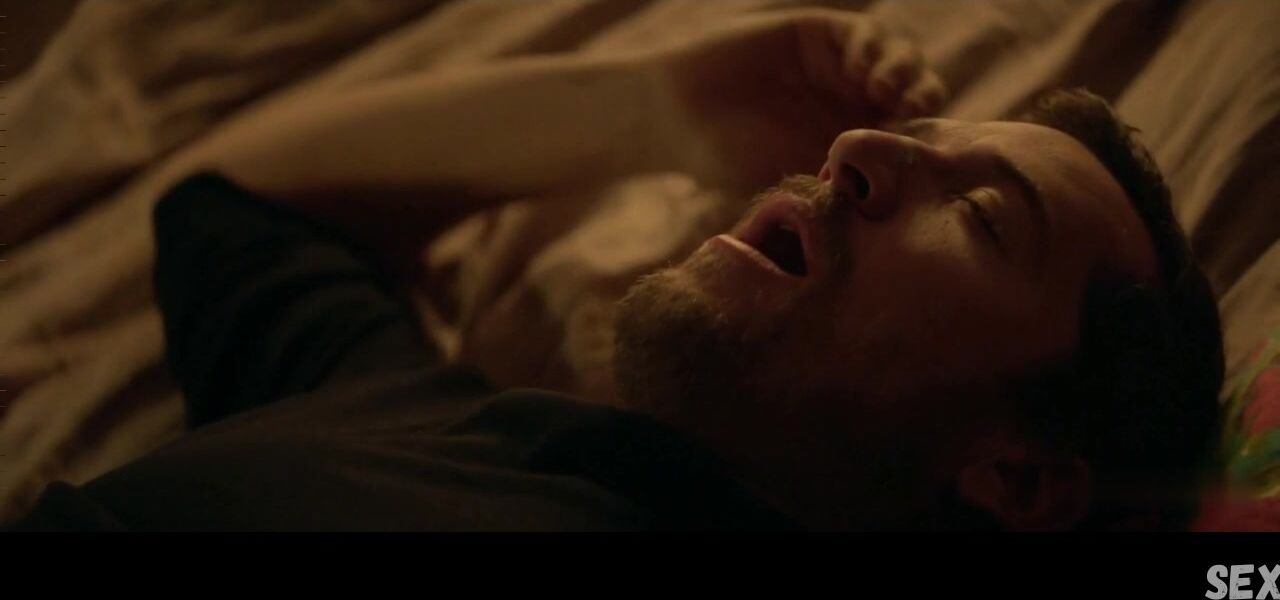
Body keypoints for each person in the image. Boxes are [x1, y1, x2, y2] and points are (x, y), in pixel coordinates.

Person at [7, 9, 1223, 531]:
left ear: (1018, 476)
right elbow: (230, 209)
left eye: (983, 217)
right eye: (906, 136)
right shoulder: (425, 416)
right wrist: (650, 109)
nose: (854, 148)